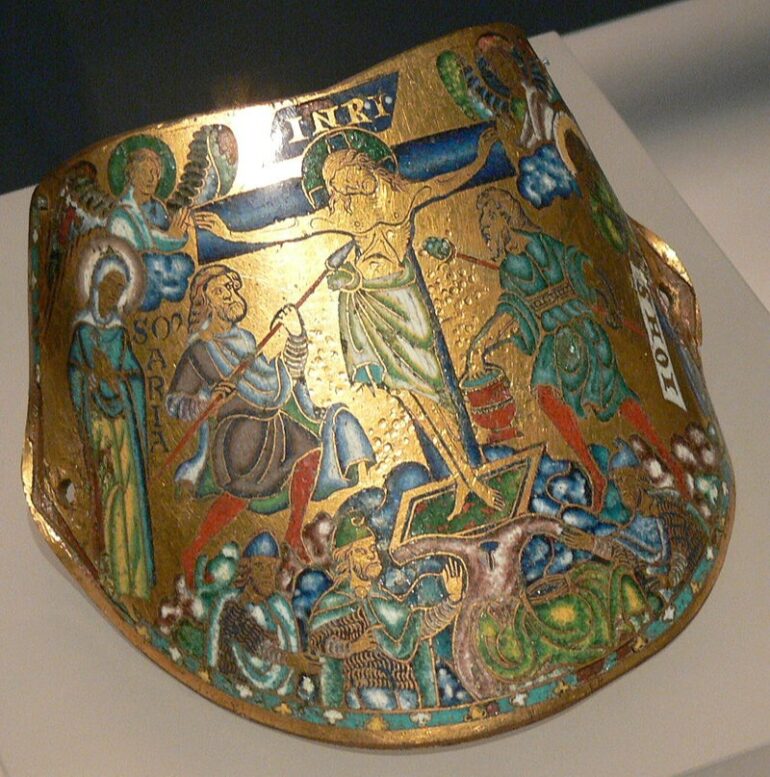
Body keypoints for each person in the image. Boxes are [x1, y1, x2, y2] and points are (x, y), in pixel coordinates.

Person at [194, 128, 504, 519]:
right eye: (334, 186)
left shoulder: (401, 196)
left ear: (358, 168)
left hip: (406, 305)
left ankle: (467, 475)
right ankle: (465, 479)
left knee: (436, 394)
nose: (338, 192)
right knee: (415, 400)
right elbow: (293, 228)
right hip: (368, 312)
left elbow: (444, 183)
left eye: (340, 181)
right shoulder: (343, 212)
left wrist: (481, 157)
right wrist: (231, 233)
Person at [465, 188, 687, 510]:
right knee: (554, 393)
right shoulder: (514, 264)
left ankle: (664, 460)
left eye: (489, 221)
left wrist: (601, 298)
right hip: (559, 338)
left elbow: (576, 265)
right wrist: (484, 342)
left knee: (616, 396)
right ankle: (599, 472)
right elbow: (515, 309)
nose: (486, 230)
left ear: (505, 216)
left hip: (579, 329)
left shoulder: (537, 248)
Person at [166, 265, 374, 582]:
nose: (230, 295)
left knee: (311, 450)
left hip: (270, 424)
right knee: (240, 494)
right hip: (238, 433)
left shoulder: (245, 340)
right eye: (220, 291)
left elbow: (276, 382)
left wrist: (295, 337)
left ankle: (293, 533)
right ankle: (193, 549)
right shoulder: (201, 352)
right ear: (206, 303)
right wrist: (206, 403)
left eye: (231, 288)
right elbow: (175, 402)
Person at [68, 242, 155, 600]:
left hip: (123, 431)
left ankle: (133, 581)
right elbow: (75, 374)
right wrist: (91, 380)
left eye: (119, 290)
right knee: (107, 498)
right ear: (95, 288)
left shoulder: (119, 335)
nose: (113, 295)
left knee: (129, 500)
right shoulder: (82, 334)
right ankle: (110, 574)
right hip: (98, 429)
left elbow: (135, 380)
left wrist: (118, 381)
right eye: (108, 288)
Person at [307, 512, 463, 710]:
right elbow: (321, 642)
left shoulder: (385, 602)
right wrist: (354, 647)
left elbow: (419, 627)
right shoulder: (334, 603)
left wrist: (452, 600)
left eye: (372, 548)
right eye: (362, 551)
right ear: (347, 559)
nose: (372, 555)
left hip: (404, 693)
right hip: (361, 692)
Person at [205, 533, 318, 694]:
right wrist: (295, 661)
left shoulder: (278, 607)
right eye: (260, 566)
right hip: (235, 685)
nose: (267, 574)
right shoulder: (233, 607)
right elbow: (258, 645)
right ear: (247, 570)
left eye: (272, 567)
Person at [107, 146, 193, 308]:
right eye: (145, 172)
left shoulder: (158, 208)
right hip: (135, 276)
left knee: (185, 264)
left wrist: (178, 236)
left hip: (160, 267)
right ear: (132, 175)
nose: (151, 178)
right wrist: (172, 238)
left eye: (155, 173)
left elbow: (165, 234)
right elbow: (140, 247)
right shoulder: (121, 215)